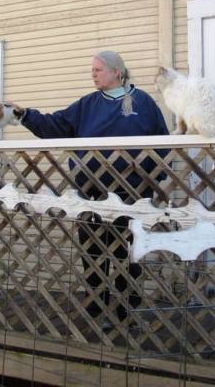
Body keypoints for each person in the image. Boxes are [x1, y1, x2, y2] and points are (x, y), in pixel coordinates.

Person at [19, 50, 169, 326]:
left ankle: (127, 313)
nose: (93, 74)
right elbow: (56, 125)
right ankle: (97, 310)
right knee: (94, 253)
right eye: (93, 70)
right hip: (90, 194)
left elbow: (162, 144)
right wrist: (25, 115)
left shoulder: (144, 103)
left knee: (127, 254)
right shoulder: (87, 105)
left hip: (131, 196)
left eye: (98, 69)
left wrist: (149, 179)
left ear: (117, 72)